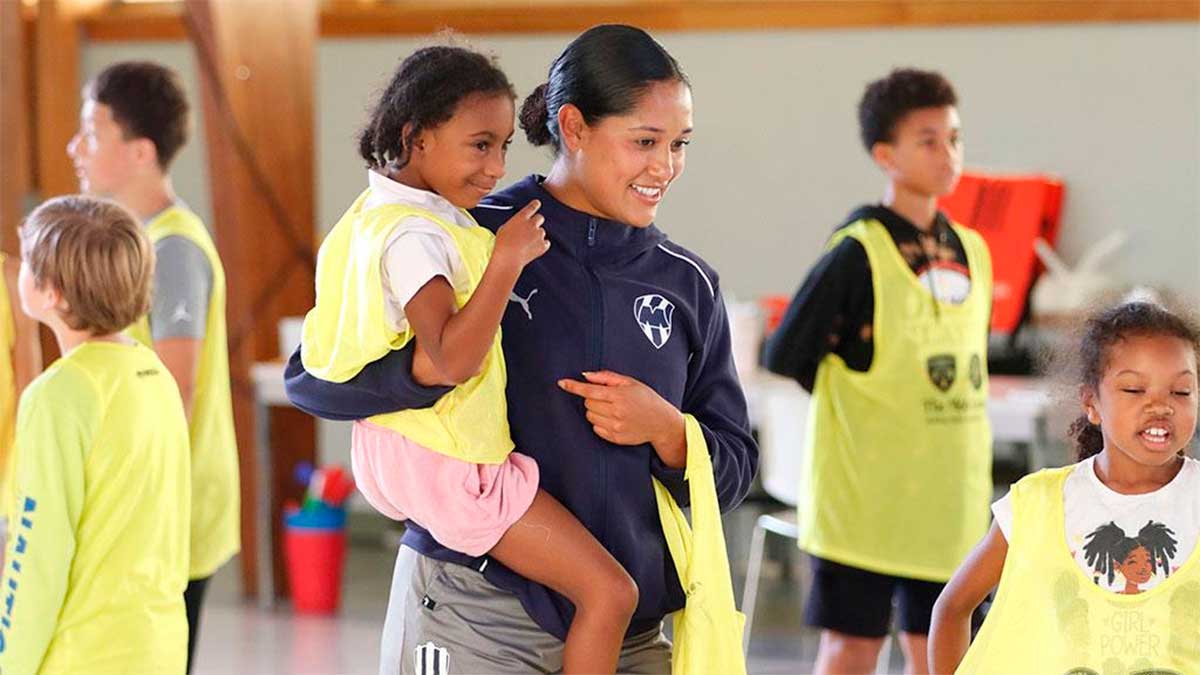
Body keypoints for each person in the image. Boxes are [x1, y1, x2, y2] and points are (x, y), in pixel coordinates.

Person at [286, 25, 757, 675]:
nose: (665, 166)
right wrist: (434, 370)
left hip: (630, 636)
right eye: (644, 141)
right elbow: (313, 377)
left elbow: (734, 467)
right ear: (575, 126)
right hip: (472, 610)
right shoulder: (469, 232)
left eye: (679, 144)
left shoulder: (688, 284)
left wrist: (670, 431)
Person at [300, 43, 638, 673]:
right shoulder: (417, 236)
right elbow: (452, 358)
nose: (494, 168)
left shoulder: (372, 213)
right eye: (479, 145)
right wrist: (506, 258)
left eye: (505, 146)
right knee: (610, 592)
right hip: (451, 463)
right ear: (415, 137)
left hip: (397, 449)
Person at [763, 67, 993, 674]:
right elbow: (786, 353)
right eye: (928, 140)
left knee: (944, 649)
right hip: (867, 502)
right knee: (852, 648)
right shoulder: (856, 251)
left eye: (954, 137)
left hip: (948, 500)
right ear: (885, 155)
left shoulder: (974, 249)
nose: (948, 153)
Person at [67, 60, 239, 671]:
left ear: (140, 152)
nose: (74, 147)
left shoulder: (170, 249)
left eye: (91, 132)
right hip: (153, 505)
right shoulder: (137, 240)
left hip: (172, 508)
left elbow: (174, 392)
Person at [930, 301, 1200, 674]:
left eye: (1181, 392)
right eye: (1135, 389)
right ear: (1091, 403)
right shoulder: (1037, 505)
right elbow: (952, 608)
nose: (1160, 407)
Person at [0, 195, 191, 674]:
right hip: (158, 645)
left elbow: (37, 551)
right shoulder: (155, 374)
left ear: (54, 293)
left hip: (82, 654)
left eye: (27, 262)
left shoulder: (57, 395)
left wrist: (10, 660)